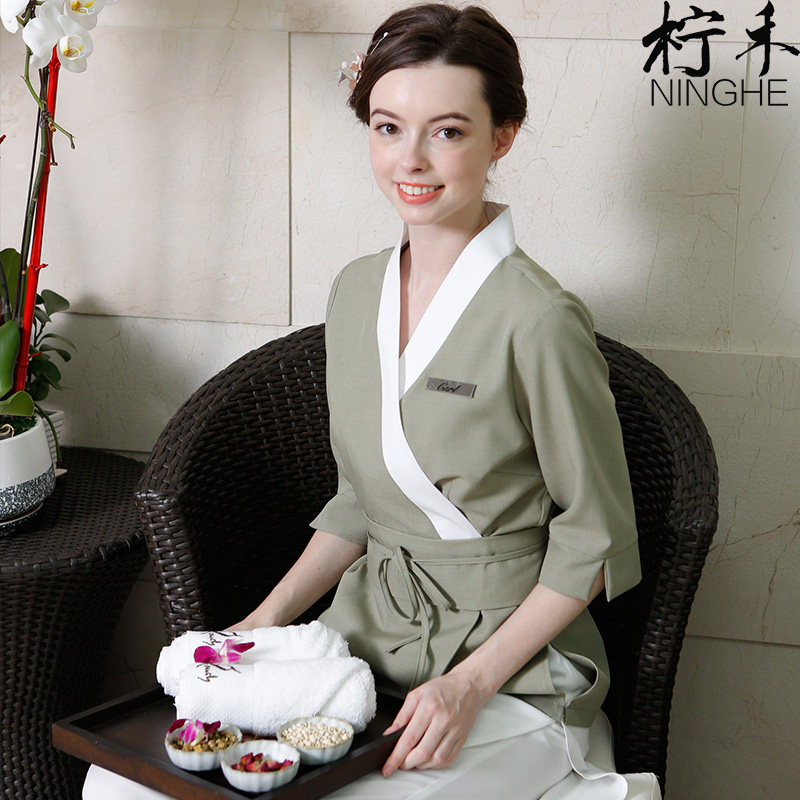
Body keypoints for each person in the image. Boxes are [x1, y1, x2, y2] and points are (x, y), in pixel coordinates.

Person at [84, 4, 661, 799]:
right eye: (388, 128)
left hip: (512, 674)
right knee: (120, 784)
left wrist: (469, 684)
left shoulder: (540, 320)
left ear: (502, 137)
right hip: (364, 642)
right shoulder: (357, 293)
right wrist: (259, 624)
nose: (410, 159)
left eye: (447, 131)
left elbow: (597, 535)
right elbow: (362, 496)